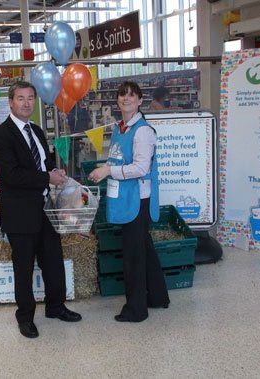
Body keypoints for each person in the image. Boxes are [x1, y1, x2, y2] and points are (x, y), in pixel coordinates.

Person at [0, 81, 82, 338]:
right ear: (10, 102)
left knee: (53, 261)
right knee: (24, 268)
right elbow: (11, 176)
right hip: (20, 214)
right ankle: (26, 317)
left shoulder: (37, 131)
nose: (26, 103)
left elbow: (45, 163)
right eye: (21, 98)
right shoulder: (0, 136)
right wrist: (45, 178)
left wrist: (55, 173)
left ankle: (56, 306)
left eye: (30, 98)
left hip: (46, 209)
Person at [88, 81, 170, 322]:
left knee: (133, 257)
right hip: (125, 196)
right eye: (122, 95)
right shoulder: (120, 127)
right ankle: (157, 296)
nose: (126, 99)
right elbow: (118, 159)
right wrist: (104, 167)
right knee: (144, 248)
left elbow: (141, 168)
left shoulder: (143, 131)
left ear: (140, 100)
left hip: (137, 198)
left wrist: (108, 172)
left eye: (132, 96)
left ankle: (136, 310)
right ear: (117, 101)